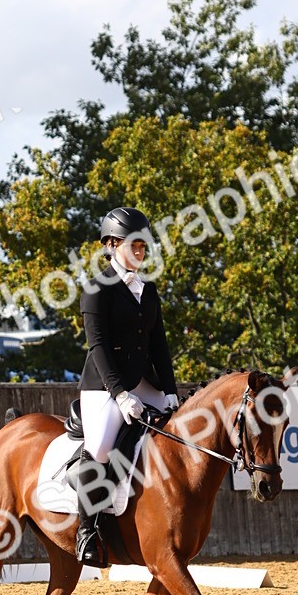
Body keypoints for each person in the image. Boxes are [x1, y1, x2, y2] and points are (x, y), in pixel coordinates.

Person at [75, 206, 179, 565]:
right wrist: (120, 395)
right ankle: (87, 530)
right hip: (103, 386)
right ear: (112, 244)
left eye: (144, 246)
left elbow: (160, 346)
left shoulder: (147, 290)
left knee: (178, 428)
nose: (141, 251)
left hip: (142, 381)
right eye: (135, 245)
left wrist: (169, 391)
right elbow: (98, 346)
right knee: (101, 448)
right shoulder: (96, 288)